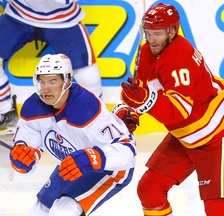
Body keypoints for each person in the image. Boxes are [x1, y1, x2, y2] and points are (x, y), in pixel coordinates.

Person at [119, 3, 224, 216]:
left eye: (157, 33)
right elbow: (138, 90)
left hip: (218, 133)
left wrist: (145, 101)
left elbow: (178, 112)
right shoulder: (147, 52)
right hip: (187, 135)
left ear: (172, 31)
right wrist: (128, 110)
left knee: (218, 209)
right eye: (147, 33)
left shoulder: (180, 57)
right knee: (149, 189)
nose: (151, 39)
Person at [9, 53, 136, 215]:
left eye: (53, 81)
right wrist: (21, 159)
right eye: (42, 81)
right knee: (38, 212)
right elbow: (27, 155)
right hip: (72, 166)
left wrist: (91, 158)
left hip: (109, 169)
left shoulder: (86, 107)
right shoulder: (33, 107)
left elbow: (128, 151)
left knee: (63, 211)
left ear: (67, 81)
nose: (46, 88)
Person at [0, 0, 102, 131]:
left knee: (86, 73)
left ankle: (98, 119)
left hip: (62, 20)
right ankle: (7, 113)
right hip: (19, 14)